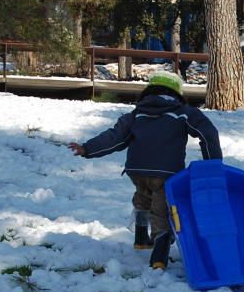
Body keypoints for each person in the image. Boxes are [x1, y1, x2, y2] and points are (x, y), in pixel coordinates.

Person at [69, 71, 222, 270]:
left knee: (142, 197)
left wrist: (87, 148)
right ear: (177, 92)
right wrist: (213, 163)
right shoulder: (184, 112)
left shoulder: (137, 114)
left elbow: (115, 137)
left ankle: (141, 238)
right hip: (166, 172)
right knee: (161, 211)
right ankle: (158, 258)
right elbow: (207, 133)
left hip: (137, 170)